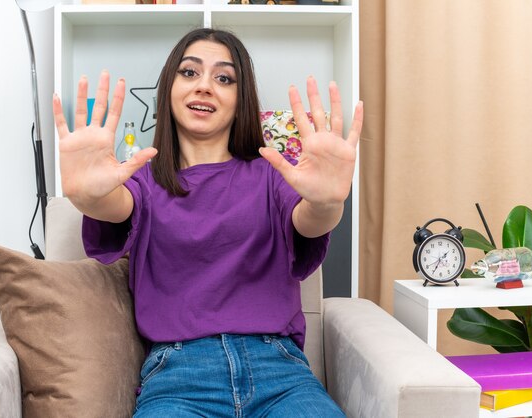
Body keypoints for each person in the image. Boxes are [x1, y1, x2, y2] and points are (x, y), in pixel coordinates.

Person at [53, 28, 363, 418]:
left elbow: (311, 221)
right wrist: (88, 196)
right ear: (169, 87)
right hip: (178, 378)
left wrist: (327, 200)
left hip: (280, 373)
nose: (204, 87)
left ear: (240, 98)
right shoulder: (142, 181)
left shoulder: (272, 175)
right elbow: (112, 205)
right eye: (189, 73)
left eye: (224, 78)